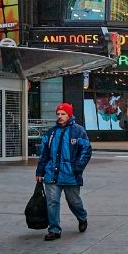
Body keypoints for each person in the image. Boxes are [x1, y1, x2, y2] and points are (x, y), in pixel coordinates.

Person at [35, 103, 91, 241]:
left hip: (70, 174)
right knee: (52, 202)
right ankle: (54, 229)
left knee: (74, 202)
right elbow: (44, 154)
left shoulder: (79, 131)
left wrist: (77, 168)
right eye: (58, 114)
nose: (60, 117)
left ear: (69, 115)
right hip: (51, 174)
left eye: (63, 114)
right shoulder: (51, 132)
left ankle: (82, 217)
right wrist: (40, 172)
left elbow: (86, 150)